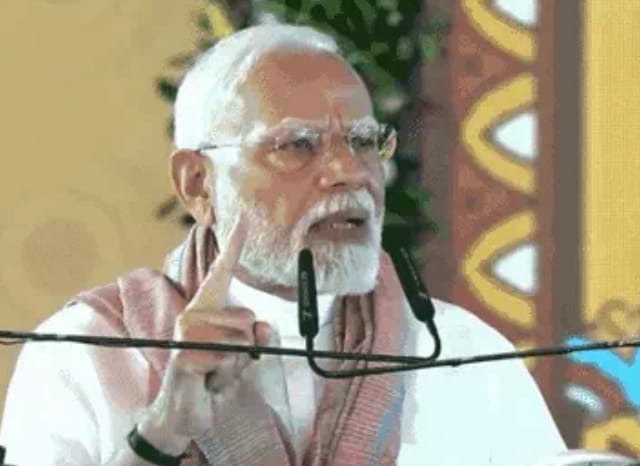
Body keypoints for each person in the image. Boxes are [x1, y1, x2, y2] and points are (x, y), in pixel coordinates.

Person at [0, 24, 567, 465]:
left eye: (363, 141)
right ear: (198, 183)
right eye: (297, 145)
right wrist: (163, 433)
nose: (350, 172)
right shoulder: (86, 353)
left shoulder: (464, 355)